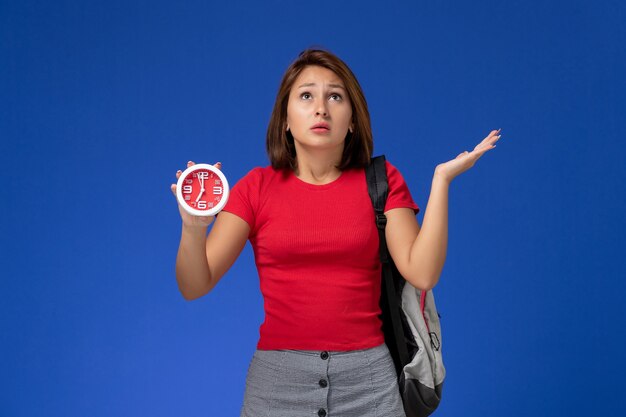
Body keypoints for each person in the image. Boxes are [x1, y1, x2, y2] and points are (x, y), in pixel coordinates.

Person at [170, 48, 501, 417]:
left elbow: (422, 272)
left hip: (369, 383)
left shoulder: (382, 181)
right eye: (307, 95)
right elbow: (194, 285)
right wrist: (193, 227)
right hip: (278, 383)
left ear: (353, 120)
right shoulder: (256, 188)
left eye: (335, 96)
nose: (321, 108)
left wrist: (441, 180)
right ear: (285, 119)